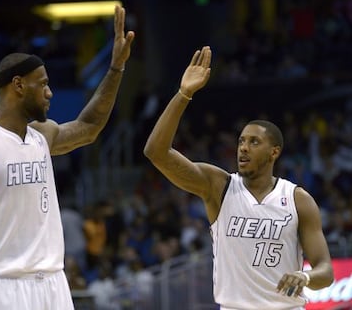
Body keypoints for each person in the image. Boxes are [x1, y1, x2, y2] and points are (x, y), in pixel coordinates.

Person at [0, 5, 134, 310]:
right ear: (18, 85)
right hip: (0, 287)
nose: (50, 93)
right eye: (42, 84)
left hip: (54, 284)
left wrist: (115, 69)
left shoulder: (43, 134)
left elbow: (89, 127)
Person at [143, 46, 334, 309]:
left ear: (274, 152)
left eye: (254, 142)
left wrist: (305, 275)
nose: (243, 147)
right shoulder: (218, 186)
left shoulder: (298, 200)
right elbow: (156, 152)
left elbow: (326, 272)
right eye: (241, 141)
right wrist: (183, 94)